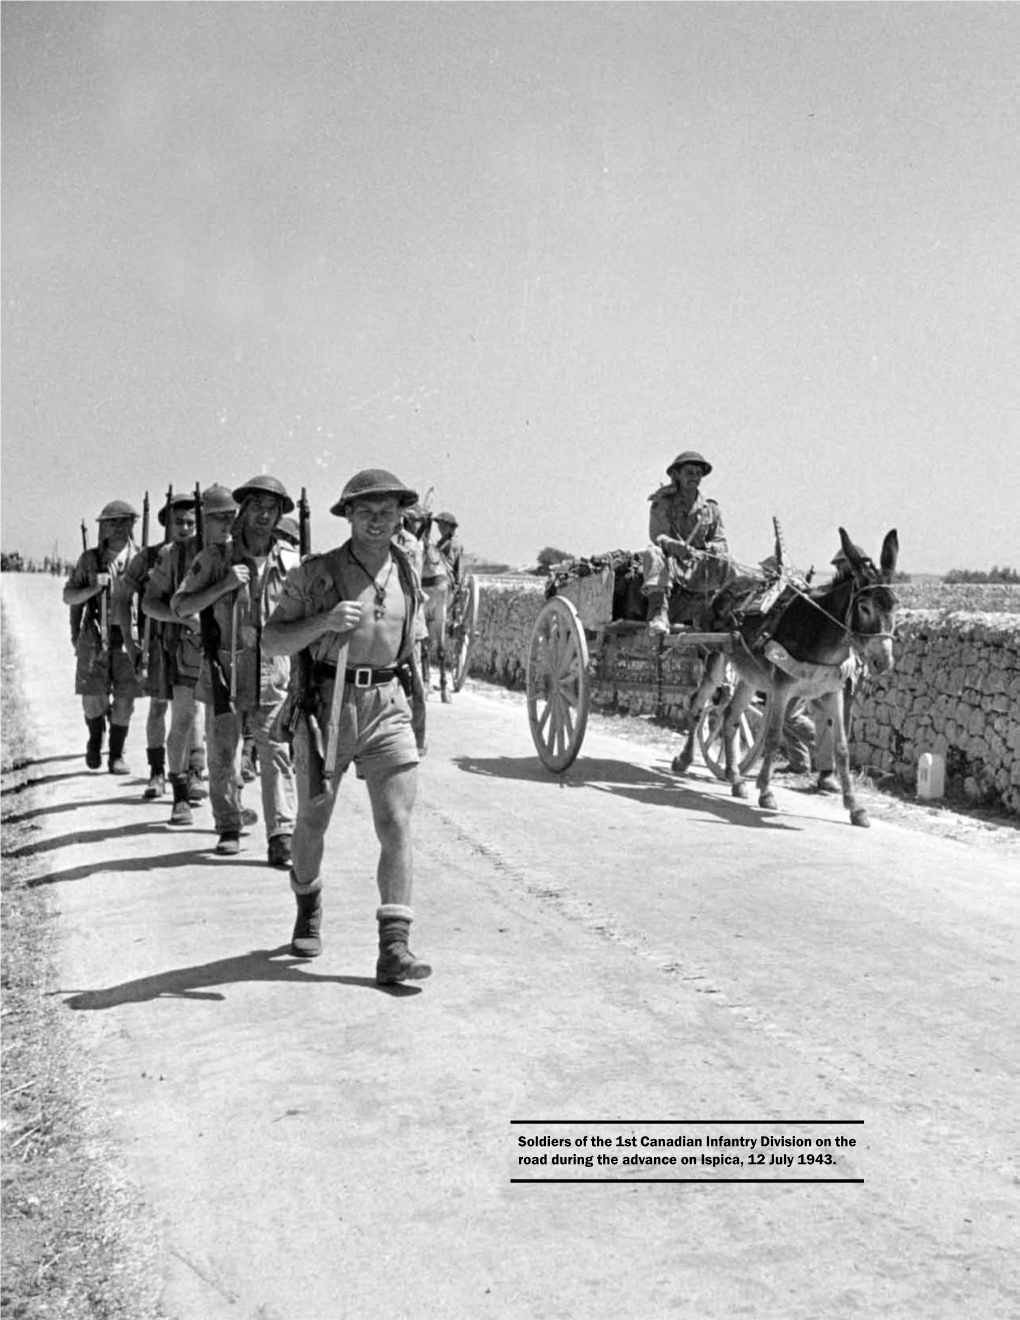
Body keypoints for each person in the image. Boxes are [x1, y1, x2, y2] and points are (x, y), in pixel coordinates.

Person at [262, 468, 430, 984]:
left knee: (396, 822)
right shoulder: (315, 574)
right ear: (349, 516)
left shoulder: (407, 571)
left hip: (387, 704)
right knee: (313, 821)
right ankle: (308, 904)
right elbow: (271, 641)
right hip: (326, 705)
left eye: (387, 511)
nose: (378, 521)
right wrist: (324, 622)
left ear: (401, 515)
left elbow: (412, 647)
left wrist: (417, 707)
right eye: (366, 511)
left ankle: (393, 947)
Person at [172, 476, 298, 863]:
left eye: (271, 508)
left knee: (276, 753)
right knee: (223, 753)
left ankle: (282, 835)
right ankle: (228, 825)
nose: (263, 514)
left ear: (280, 515)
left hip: (272, 676)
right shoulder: (215, 558)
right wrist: (223, 585)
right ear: (243, 509)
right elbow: (180, 606)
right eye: (256, 505)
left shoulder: (292, 563)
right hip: (225, 673)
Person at [142, 489, 220, 826]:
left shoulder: (231, 550)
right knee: (184, 718)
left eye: (194, 521)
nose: (188, 527)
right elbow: (149, 602)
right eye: (181, 521)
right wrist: (180, 617)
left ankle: (219, 795)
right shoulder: (171, 555)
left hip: (225, 648)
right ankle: (179, 793)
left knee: (222, 724)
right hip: (184, 649)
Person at [63, 500, 143, 773]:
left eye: (125, 521)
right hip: (95, 635)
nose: (119, 527)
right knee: (92, 697)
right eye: (113, 522)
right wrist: (92, 589)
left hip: (128, 637)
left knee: (125, 699)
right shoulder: (90, 560)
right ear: (104, 527)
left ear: (133, 524)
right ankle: (95, 740)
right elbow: (69, 596)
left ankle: (117, 755)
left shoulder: (141, 560)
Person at [642, 451, 731, 634]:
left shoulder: (711, 509)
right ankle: (658, 613)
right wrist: (675, 546)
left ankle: (728, 614)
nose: (695, 477)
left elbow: (721, 540)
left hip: (700, 569)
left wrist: (713, 548)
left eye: (698, 474)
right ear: (677, 475)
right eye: (689, 473)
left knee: (728, 561)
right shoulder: (663, 502)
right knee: (653, 552)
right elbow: (658, 535)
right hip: (672, 563)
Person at [434, 512, 463, 592]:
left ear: (451, 527)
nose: (441, 527)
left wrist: (458, 583)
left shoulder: (455, 543)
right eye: (440, 525)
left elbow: (459, 565)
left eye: (444, 525)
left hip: (447, 574)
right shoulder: (438, 543)